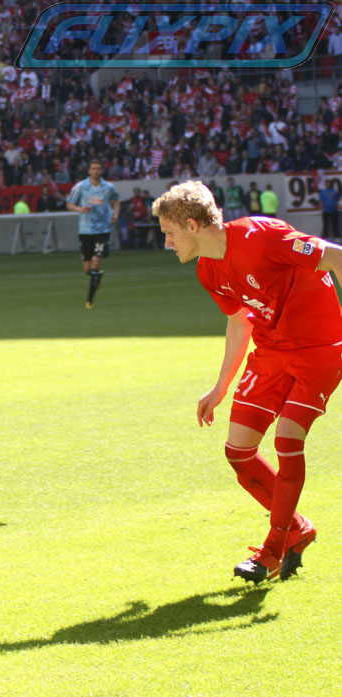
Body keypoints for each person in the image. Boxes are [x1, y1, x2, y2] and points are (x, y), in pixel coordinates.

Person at [152, 180, 342, 583]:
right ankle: (298, 530)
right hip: (272, 351)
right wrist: (220, 387)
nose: (166, 242)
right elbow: (240, 322)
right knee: (238, 451)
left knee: (287, 441)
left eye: (168, 232)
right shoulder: (208, 269)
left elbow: (337, 257)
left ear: (191, 225)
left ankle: (273, 551)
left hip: (319, 349)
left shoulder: (261, 237)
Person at [66, 159, 120, 309]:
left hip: (103, 230)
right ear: (89, 171)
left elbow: (116, 200)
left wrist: (115, 214)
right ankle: (98, 276)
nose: (96, 171)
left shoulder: (108, 187)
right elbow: (69, 204)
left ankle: (89, 300)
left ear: (102, 171)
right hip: (86, 230)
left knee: (96, 263)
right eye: (93, 168)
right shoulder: (81, 186)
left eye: (98, 168)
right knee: (87, 269)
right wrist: (80, 209)